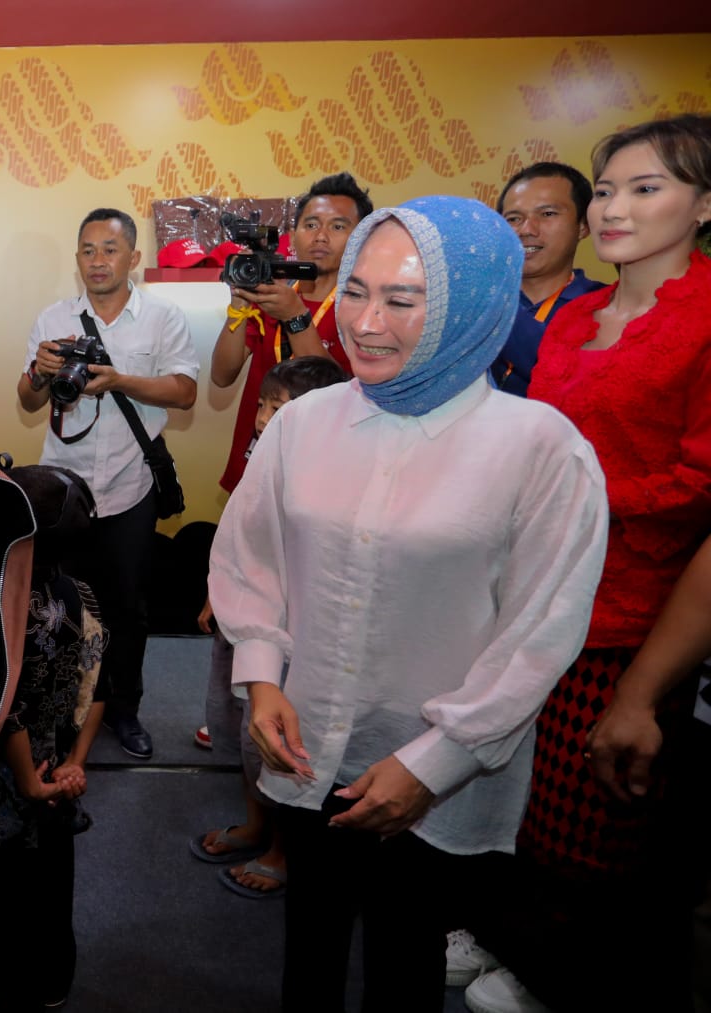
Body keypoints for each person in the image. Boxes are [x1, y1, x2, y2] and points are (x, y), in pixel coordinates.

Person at [209, 195, 608, 1013]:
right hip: (306, 740)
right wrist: (261, 673)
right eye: (356, 290)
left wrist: (437, 761)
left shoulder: (540, 449)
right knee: (309, 945)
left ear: (474, 306)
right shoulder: (304, 422)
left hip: (438, 769)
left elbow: (539, 631)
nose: (365, 323)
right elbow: (253, 555)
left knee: (405, 959)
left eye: (403, 299)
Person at [465, 113, 711, 1013]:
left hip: (637, 609)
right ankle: (514, 934)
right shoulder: (575, 320)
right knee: (519, 782)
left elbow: (699, 482)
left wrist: (577, 497)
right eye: (607, 189)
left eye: (646, 188)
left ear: (704, 204)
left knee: (598, 810)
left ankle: (568, 971)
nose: (613, 208)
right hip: (538, 588)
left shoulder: (704, 321)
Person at [197, 173, 371, 752]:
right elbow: (223, 375)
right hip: (257, 461)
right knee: (244, 589)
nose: (321, 236)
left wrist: (296, 317)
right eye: (311, 224)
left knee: (303, 603)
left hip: (324, 477)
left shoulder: (363, 305)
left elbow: (343, 393)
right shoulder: (270, 291)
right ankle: (235, 708)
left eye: (338, 225)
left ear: (360, 236)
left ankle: (293, 714)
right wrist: (237, 309)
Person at [19, 207, 198, 760]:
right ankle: (63, 710)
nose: (98, 261)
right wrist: (40, 372)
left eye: (110, 249)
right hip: (64, 492)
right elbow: (28, 400)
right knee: (60, 605)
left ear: (133, 257)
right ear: (78, 259)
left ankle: (124, 710)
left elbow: (185, 392)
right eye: (88, 250)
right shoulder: (53, 319)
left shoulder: (163, 317)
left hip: (129, 485)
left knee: (127, 608)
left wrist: (119, 380)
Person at [191, 355, 348, 901]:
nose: (262, 418)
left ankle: (282, 848)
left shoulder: (328, 472)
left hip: (290, 629)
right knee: (240, 723)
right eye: (262, 404)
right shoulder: (264, 452)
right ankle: (256, 824)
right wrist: (219, 592)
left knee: (280, 738)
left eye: (277, 407)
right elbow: (244, 536)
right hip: (246, 616)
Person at [0, 463, 108, 1013]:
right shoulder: (82, 595)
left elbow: (6, 706)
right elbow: (98, 688)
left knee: (1, 894)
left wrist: (27, 780)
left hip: (6, 781)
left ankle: (8, 993)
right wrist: (74, 763)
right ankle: (53, 986)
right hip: (62, 773)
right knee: (53, 884)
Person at [488, 162, 607, 396]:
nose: (527, 229)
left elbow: (576, 383)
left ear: (583, 226)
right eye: (513, 218)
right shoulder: (473, 300)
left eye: (547, 214)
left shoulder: (607, 306)